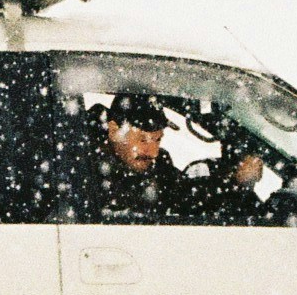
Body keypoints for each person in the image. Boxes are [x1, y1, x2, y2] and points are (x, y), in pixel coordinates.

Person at [81, 90, 269, 219]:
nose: (153, 151)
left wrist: (235, 181)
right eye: (143, 140)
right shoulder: (83, 167)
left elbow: (187, 196)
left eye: (157, 140)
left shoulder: (158, 164)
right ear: (114, 131)